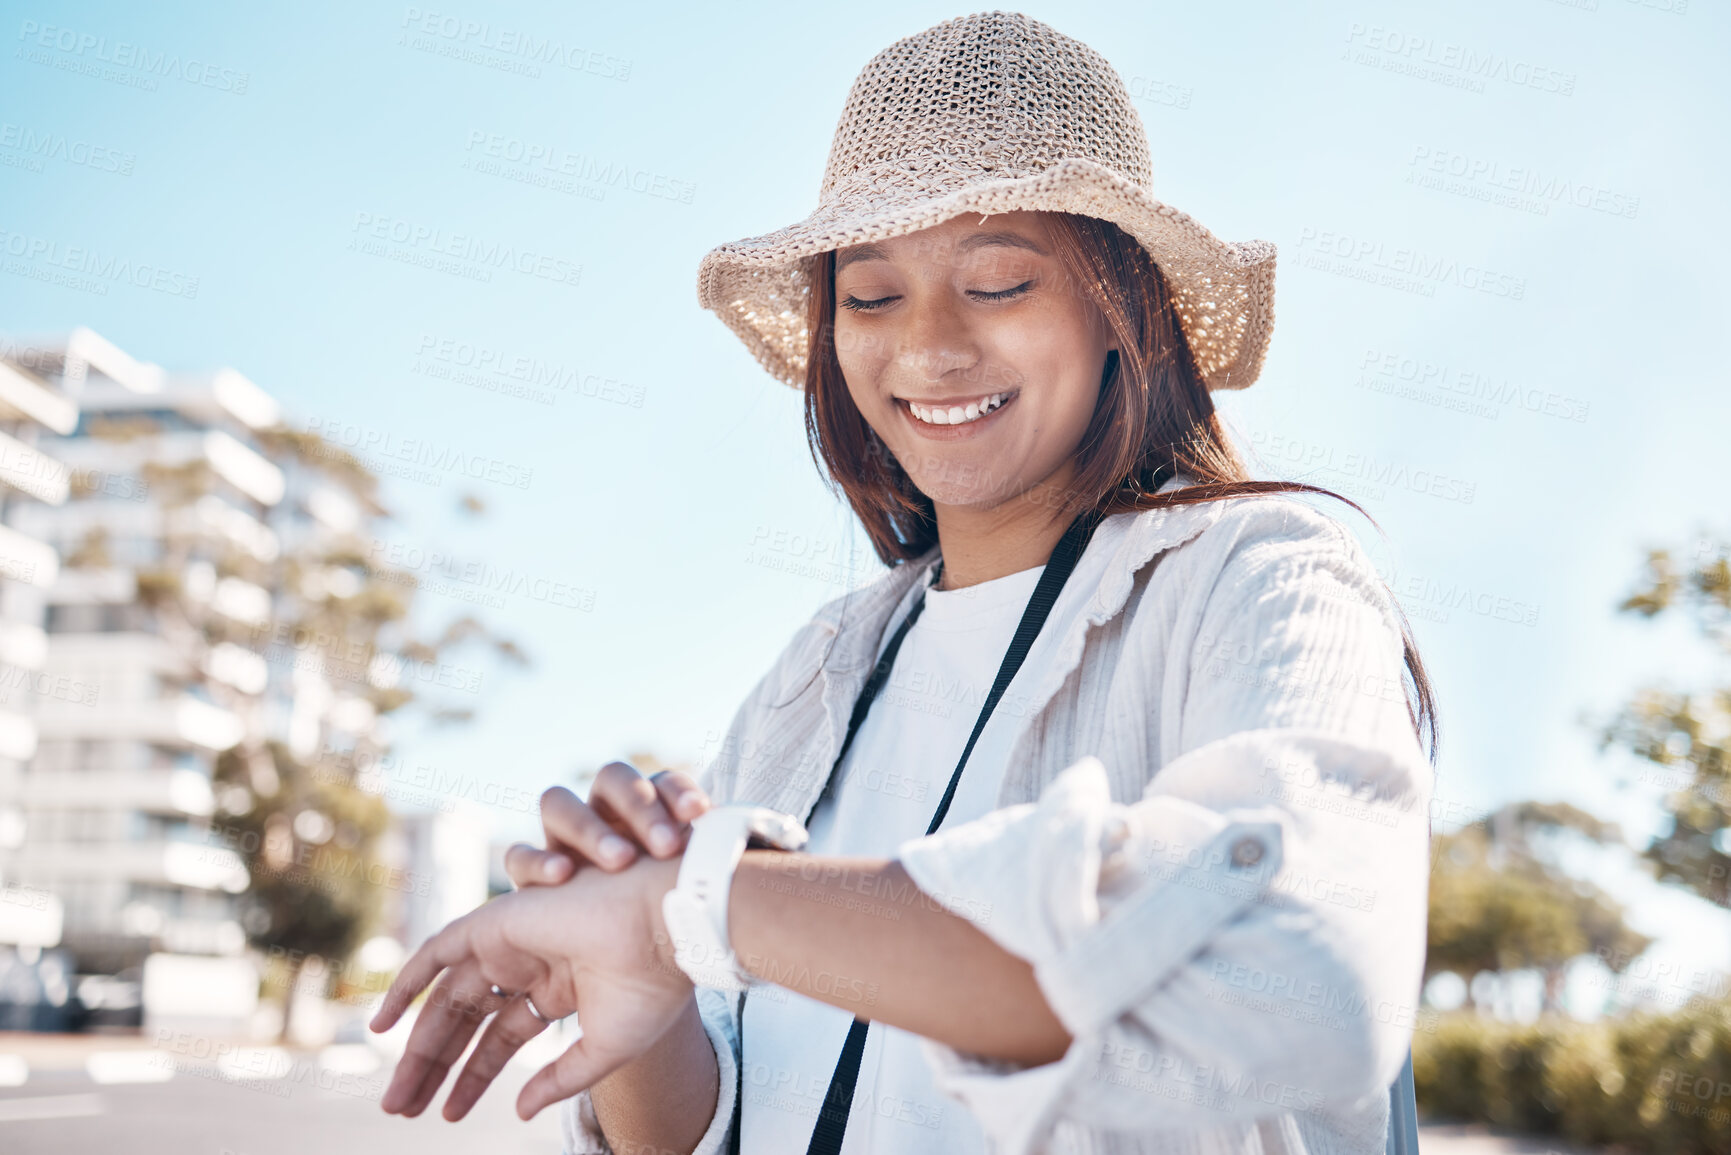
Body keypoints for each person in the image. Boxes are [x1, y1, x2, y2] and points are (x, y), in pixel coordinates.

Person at [369, 12, 1437, 1155]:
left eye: (999, 282)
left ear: (1122, 310)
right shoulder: (822, 667)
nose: (927, 349)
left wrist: (698, 904)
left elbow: (1300, 976)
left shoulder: (1260, 572)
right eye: (871, 298)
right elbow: (703, 1120)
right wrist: (649, 982)